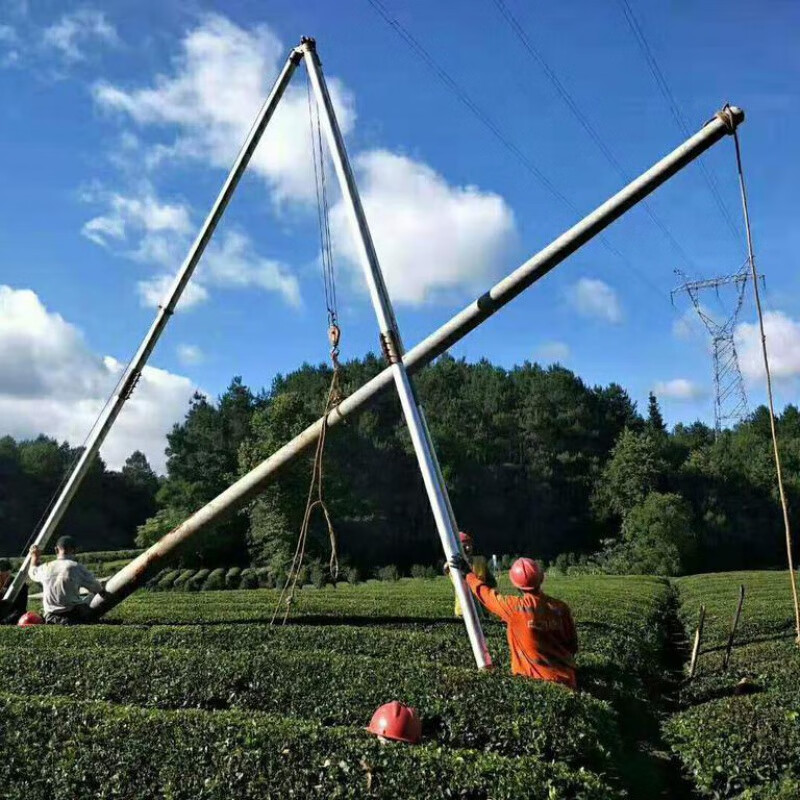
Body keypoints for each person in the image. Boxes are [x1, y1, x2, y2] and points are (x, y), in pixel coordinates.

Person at [451, 553, 578, 689]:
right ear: (541, 578)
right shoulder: (561, 607)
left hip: (536, 683)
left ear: (516, 584)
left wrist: (468, 574)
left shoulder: (515, 608)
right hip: (569, 680)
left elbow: (487, 596)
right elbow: (572, 645)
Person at [28, 536, 108, 625]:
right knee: (92, 597)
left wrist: (34, 556)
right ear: (74, 550)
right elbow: (97, 588)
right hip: (72, 616)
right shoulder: (76, 567)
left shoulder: (46, 567)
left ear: (56, 550)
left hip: (50, 617)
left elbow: (32, 572)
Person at [453, 531, 495, 618]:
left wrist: (480, 586)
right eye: (465, 545)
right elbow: (446, 569)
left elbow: (493, 582)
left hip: (482, 607)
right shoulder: (453, 564)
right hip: (463, 610)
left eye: (469, 545)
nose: (468, 548)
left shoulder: (480, 561)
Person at [0, 558, 29, 625]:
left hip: (12, 621)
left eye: (2, 575)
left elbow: (20, 609)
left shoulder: (19, 585)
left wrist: (4, 622)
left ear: (9, 573)